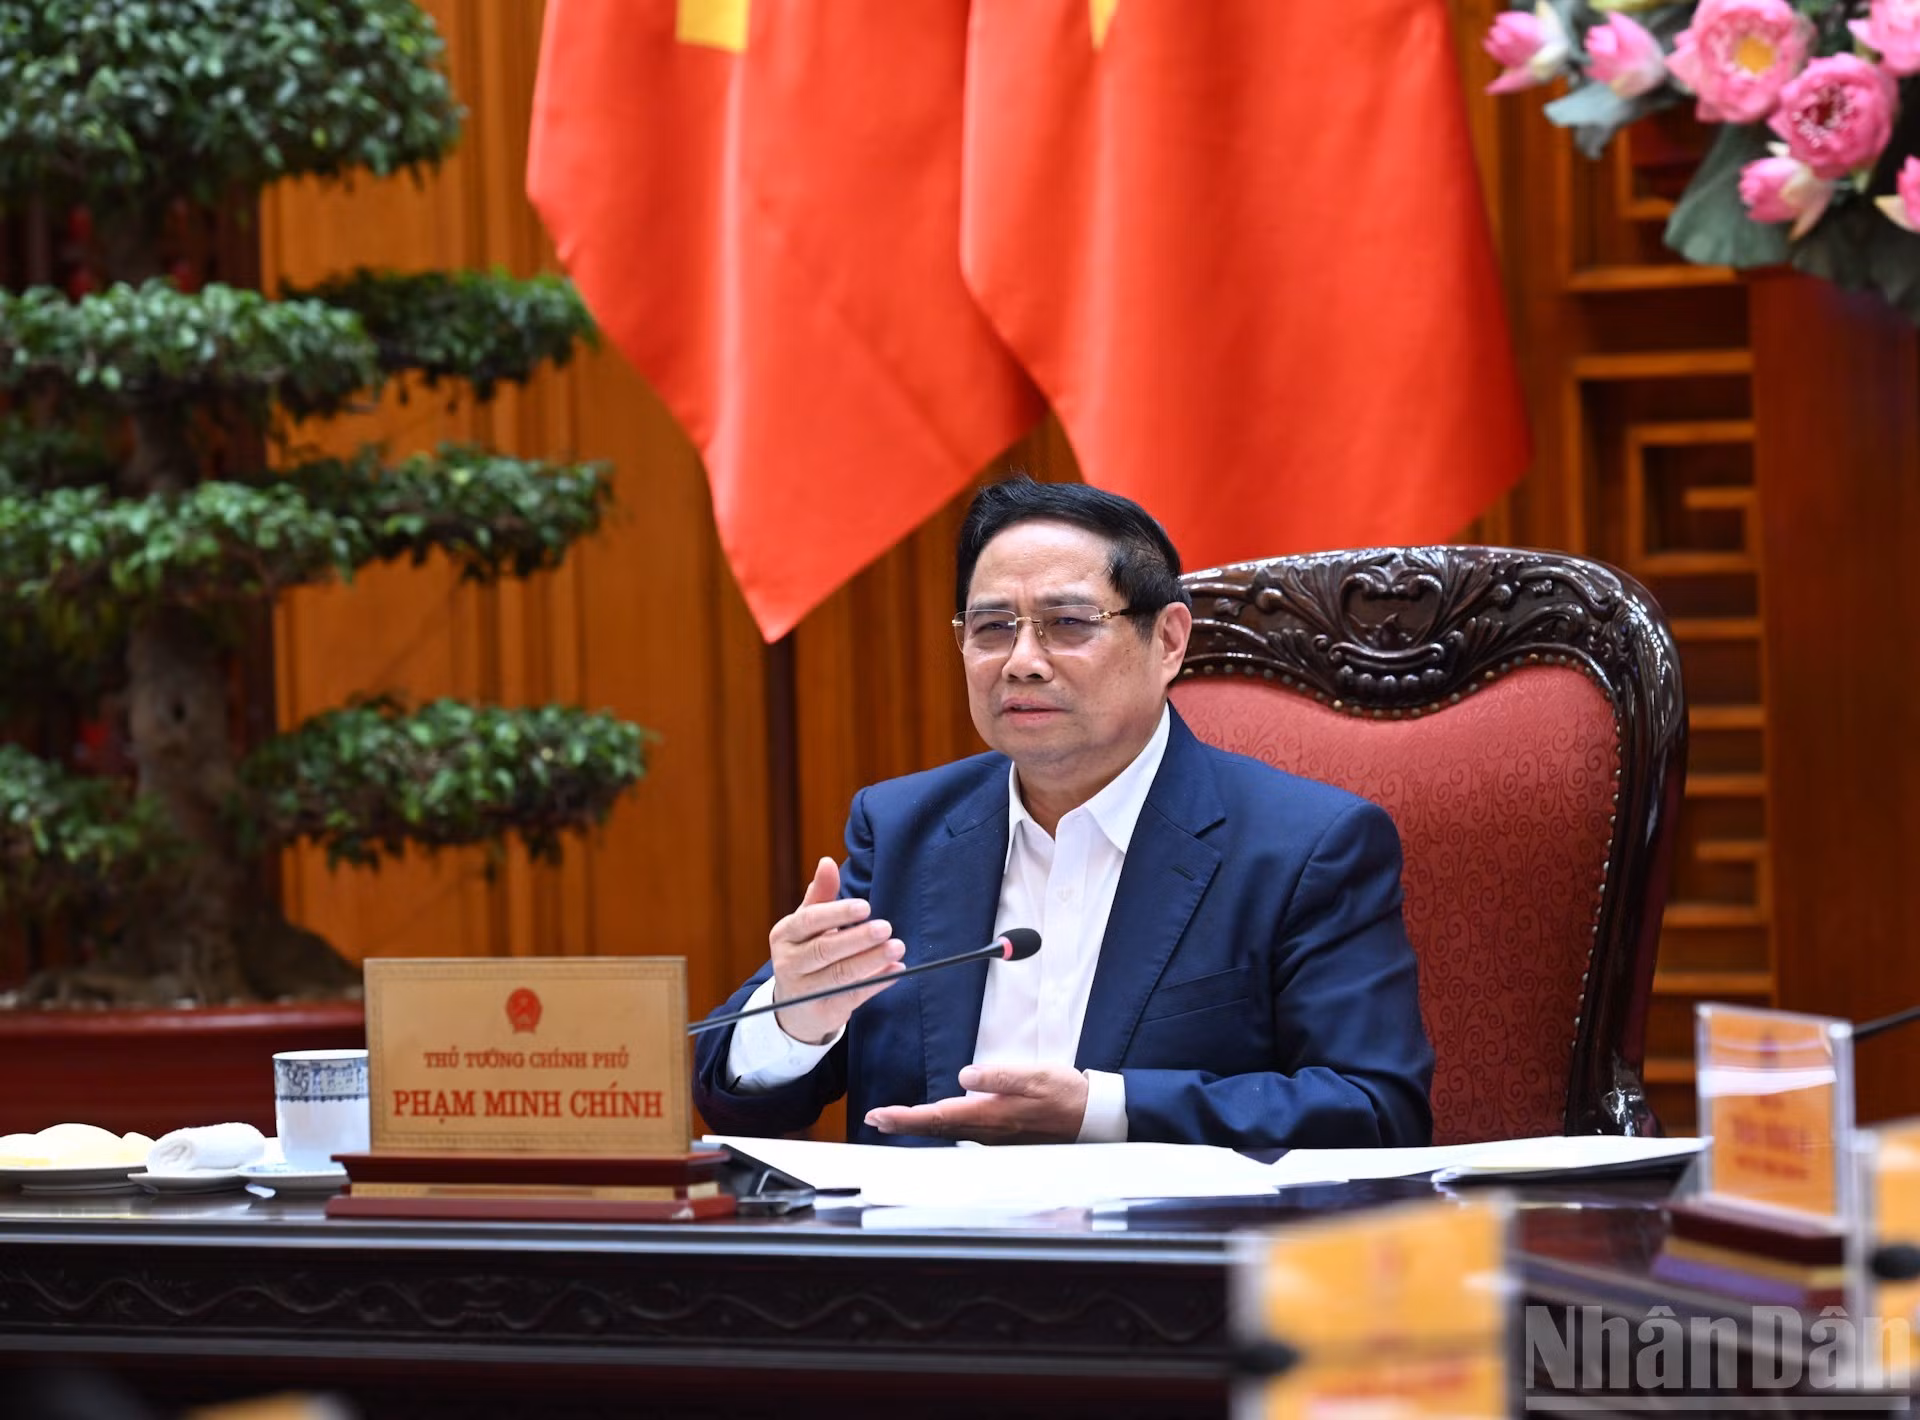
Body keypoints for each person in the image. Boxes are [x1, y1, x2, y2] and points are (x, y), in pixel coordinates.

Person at [693, 479, 1434, 1148]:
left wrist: (1101, 1110)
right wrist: (795, 1017)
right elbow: (734, 1103)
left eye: (1068, 623)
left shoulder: (1306, 846)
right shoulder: (902, 829)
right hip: (917, 1248)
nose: (1021, 660)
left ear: (1168, 640)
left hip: (1160, 1249)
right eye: (991, 628)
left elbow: (1375, 1110)